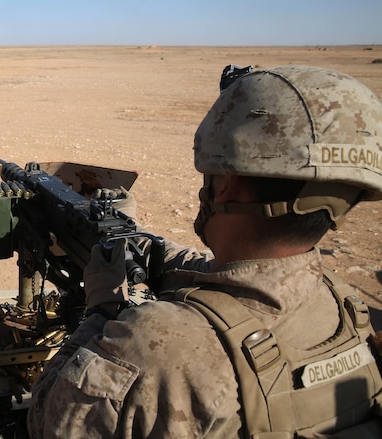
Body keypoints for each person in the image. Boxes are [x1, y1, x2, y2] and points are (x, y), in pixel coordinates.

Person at [27, 65, 382, 438]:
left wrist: (102, 308)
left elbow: (45, 419)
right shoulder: (342, 304)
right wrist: (142, 238)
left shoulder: (154, 348)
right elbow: (237, 281)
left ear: (225, 185)